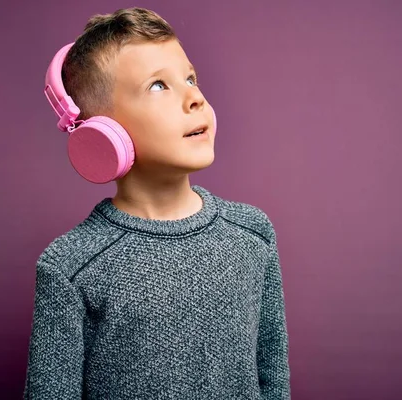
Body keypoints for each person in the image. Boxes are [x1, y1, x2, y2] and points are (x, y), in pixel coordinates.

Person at [23, 7, 290, 399]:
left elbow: (274, 383)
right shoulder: (69, 266)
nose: (195, 97)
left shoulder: (252, 234)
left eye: (190, 78)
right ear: (102, 133)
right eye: (158, 86)